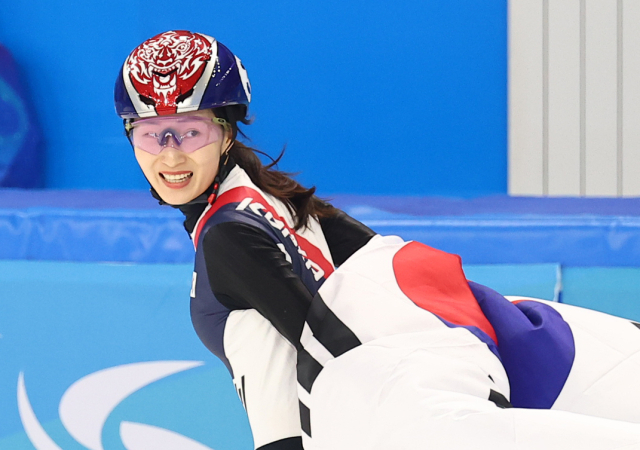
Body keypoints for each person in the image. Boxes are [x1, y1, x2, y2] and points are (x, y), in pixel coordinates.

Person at [115, 30, 640, 450]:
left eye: (189, 131)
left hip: (424, 401)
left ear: (227, 131)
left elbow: (321, 353)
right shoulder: (275, 200)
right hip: (527, 338)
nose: (169, 155)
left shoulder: (229, 237)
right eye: (149, 133)